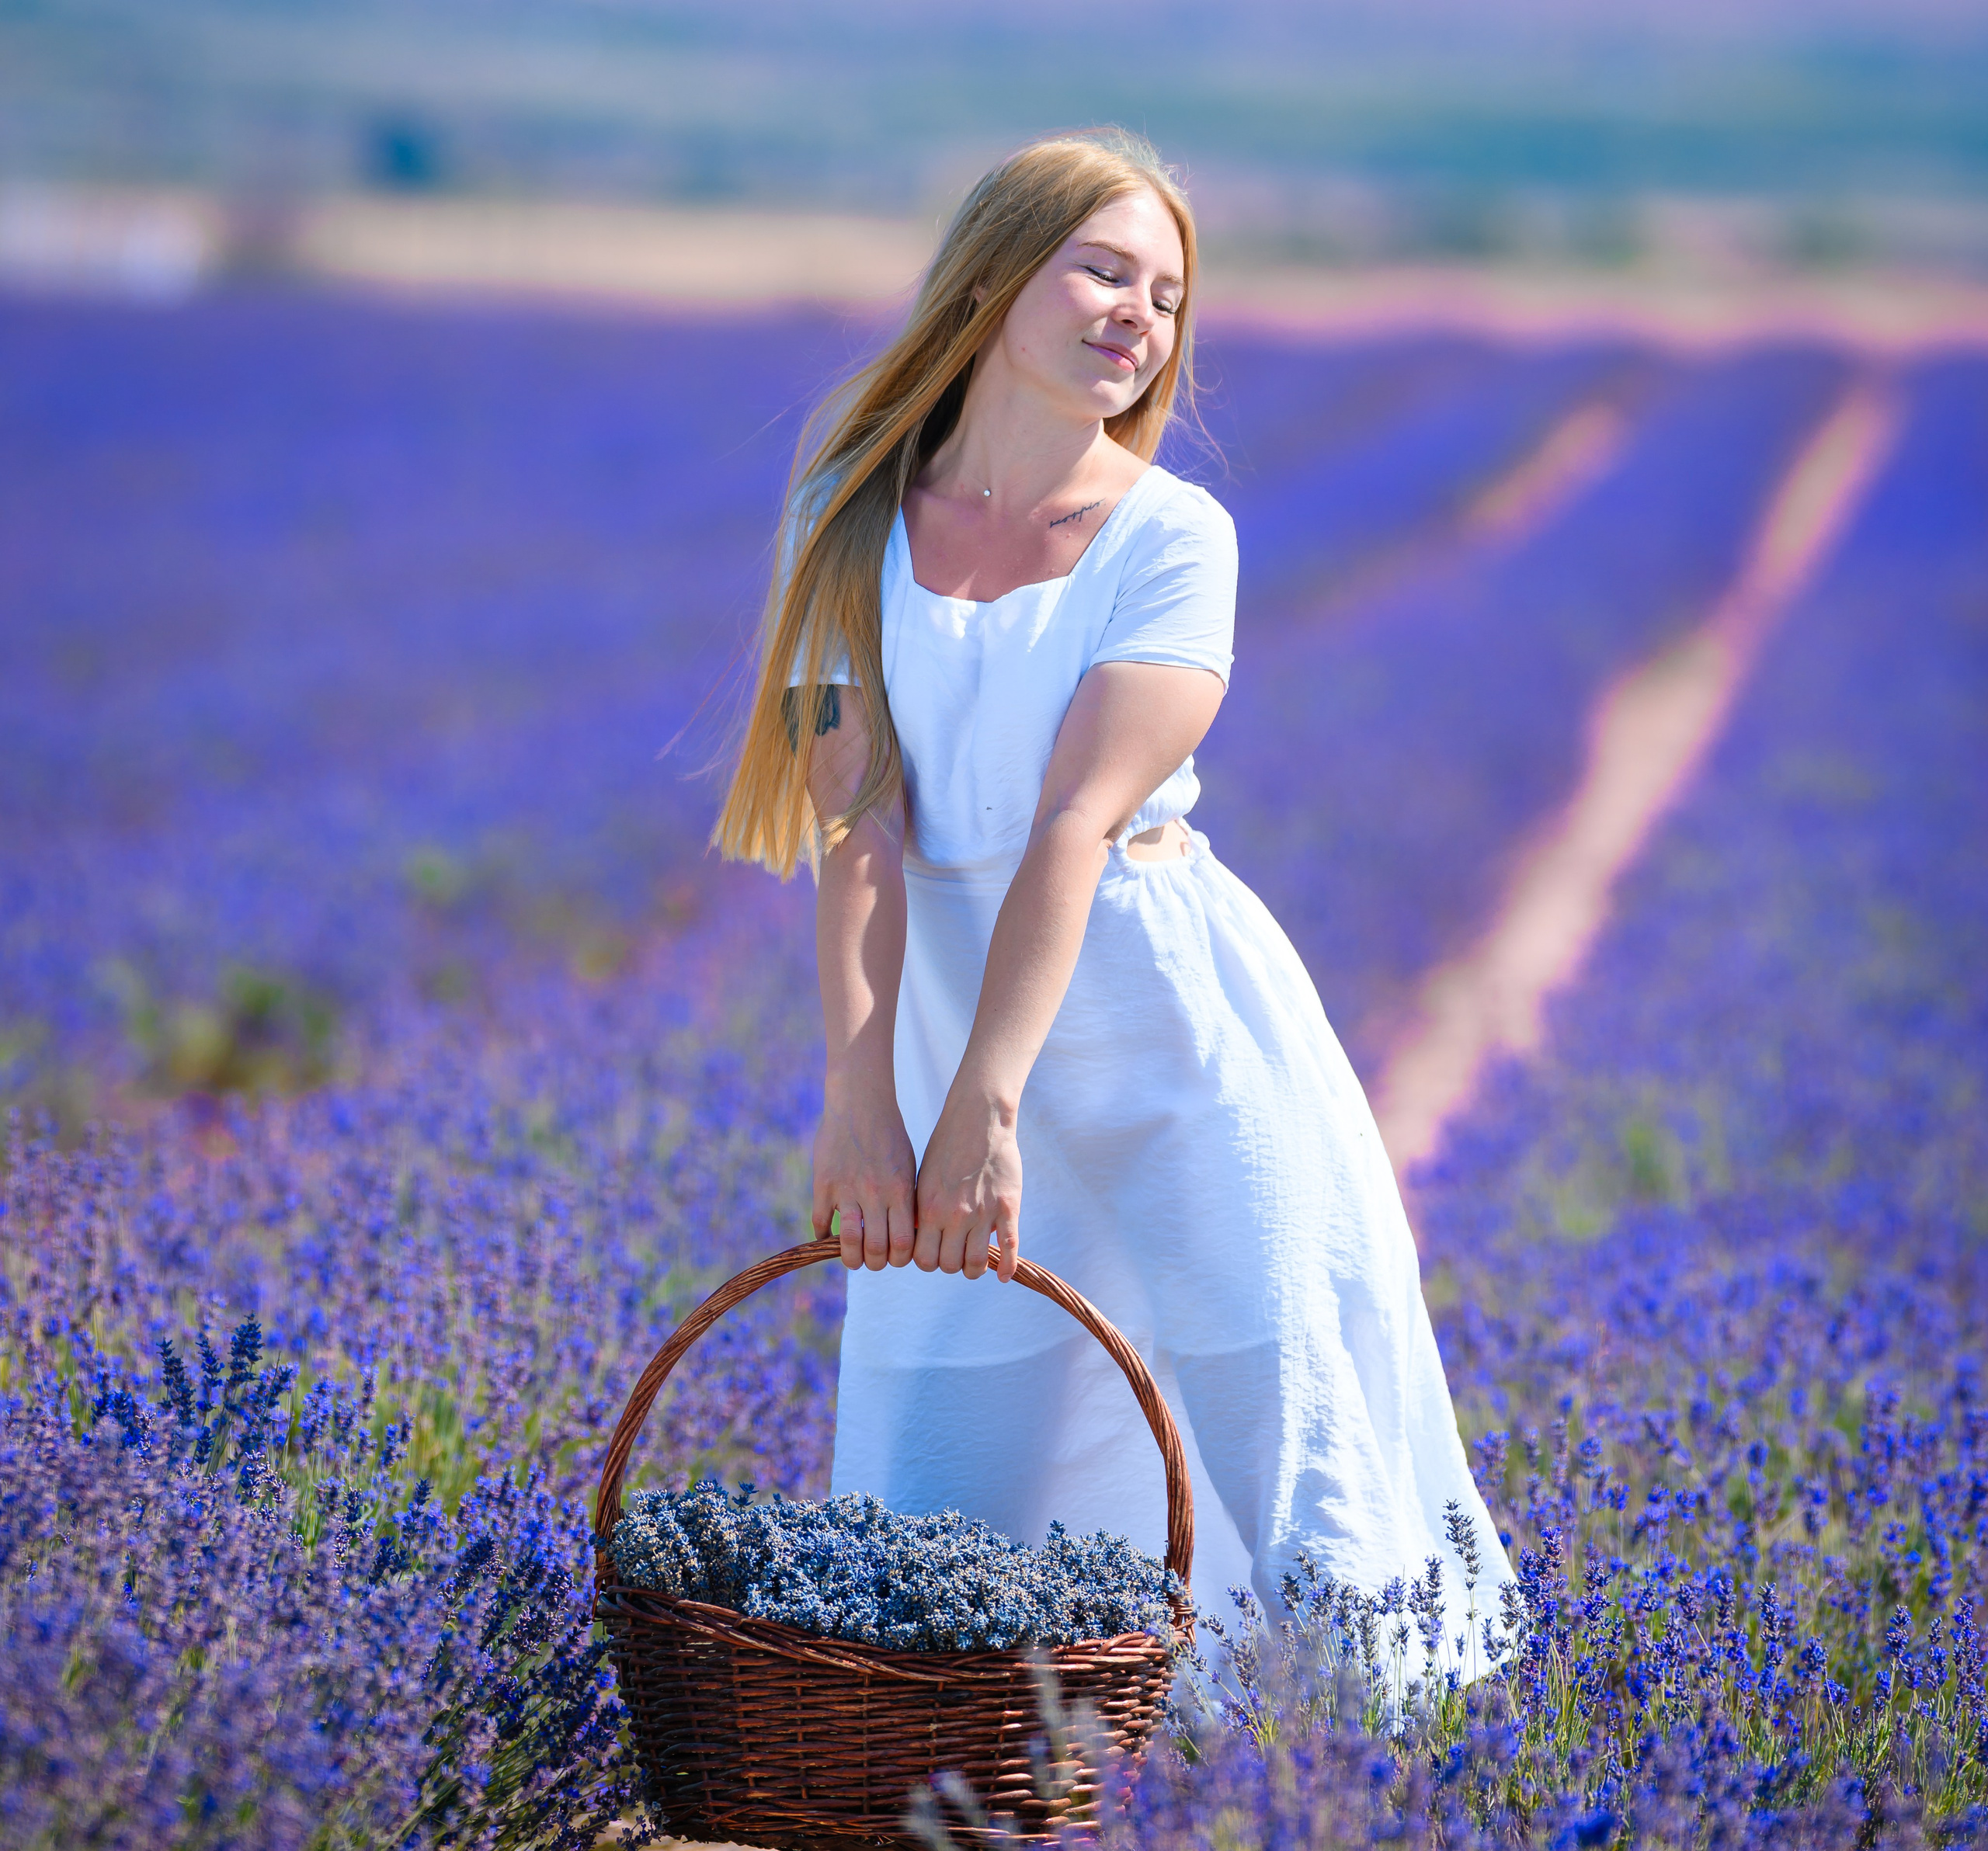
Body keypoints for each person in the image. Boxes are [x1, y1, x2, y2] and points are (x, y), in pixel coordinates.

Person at [714, 129, 1510, 1649]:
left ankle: (1353, 1780)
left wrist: (983, 1107)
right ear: (994, 274)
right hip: (954, 1013)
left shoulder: (1170, 536)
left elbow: (1074, 820)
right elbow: (859, 827)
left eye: (1164, 293)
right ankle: (939, 1768)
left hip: (1160, 1029)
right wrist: (863, 1091)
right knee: (938, 1449)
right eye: (1102, 267)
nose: (1137, 314)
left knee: (1264, 1422)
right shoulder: (849, 513)